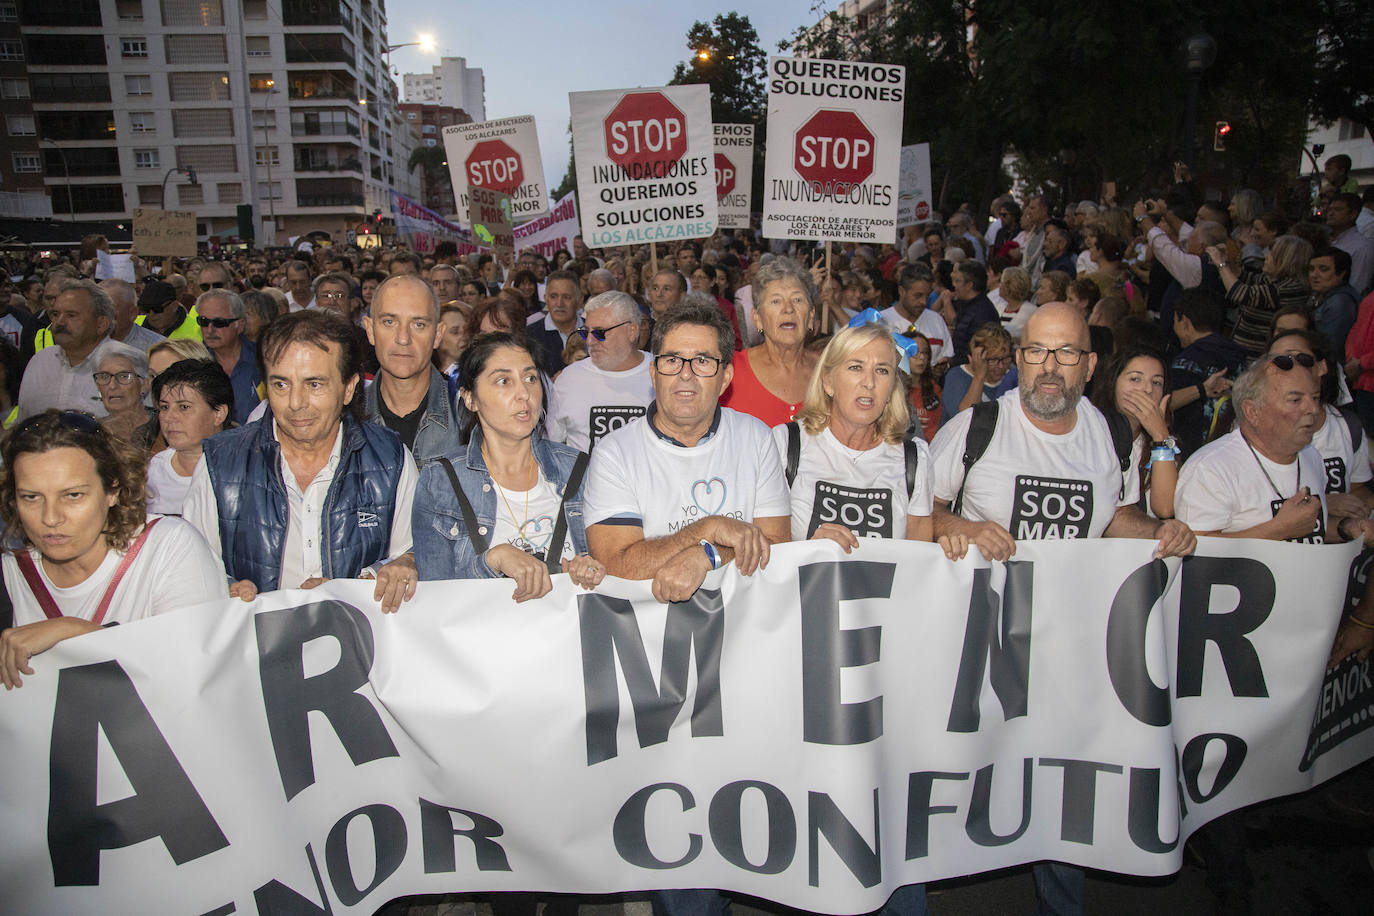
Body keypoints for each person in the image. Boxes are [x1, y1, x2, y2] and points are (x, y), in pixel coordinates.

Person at [929, 302, 1195, 916]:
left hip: (1067, 652)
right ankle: (936, 860)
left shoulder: (1102, 432)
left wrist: (1158, 533)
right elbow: (919, 518)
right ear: (1018, 359)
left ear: (1089, 364)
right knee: (965, 773)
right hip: (976, 651)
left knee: (1059, 784)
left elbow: (1112, 519)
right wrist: (963, 526)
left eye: (1066, 353)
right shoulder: (976, 428)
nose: (1049, 368)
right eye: (1036, 352)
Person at [182, 310, 418, 610]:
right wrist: (225, 588)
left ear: (349, 388)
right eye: (281, 384)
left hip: (359, 647)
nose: (295, 402)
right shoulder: (221, 464)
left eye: (314, 384)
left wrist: (360, 586)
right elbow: (189, 569)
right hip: (251, 648)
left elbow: (410, 554)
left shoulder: (389, 459)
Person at [584, 298, 790, 606]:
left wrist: (708, 554)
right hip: (649, 637)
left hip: (743, 631)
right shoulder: (615, 453)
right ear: (653, 374)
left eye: (703, 361)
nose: (685, 374)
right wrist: (709, 528)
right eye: (672, 360)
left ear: (726, 378)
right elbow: (617, 567)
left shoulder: (757, 437)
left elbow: (776, 543)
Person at [0, 410, 227, 689]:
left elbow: (202, 680)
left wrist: (73, 632)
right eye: (31, 497)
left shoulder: (166, 548)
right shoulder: (9, 575)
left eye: (73, 495)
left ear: (113, 491)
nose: (50, 517)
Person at [412, 332, 604, 598]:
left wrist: (592, 569)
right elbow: (433, 598)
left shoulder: (579, 469)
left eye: (530, 378)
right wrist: (492, 560)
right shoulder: (440, 481)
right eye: (504, 381)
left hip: (566, 634)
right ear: (470, 398)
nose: (523, 393)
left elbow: (614, 565)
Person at [775, 322, 961, 556]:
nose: (869, 382)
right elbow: (765, 549)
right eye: (855, 367)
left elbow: (916, 566)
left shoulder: (914, 459)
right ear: (829, 381)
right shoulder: (787, 444)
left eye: (882, 370)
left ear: (892, 386)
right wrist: (809, 551)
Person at [361, 275, 461, 463]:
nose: (403, 338)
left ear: (438, 335)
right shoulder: (345, 418)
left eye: (418, 324)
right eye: (390, 322)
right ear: (370, 330)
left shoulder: (469, 413)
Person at [545, 291, 654, 452]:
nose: (590, 341)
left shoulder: (663, 373)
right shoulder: (569, 379)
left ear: (631, 331)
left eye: (599, 333)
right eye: (585, 332)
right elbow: (551, 445)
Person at [720, 257, 815, 426]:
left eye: (797, 299)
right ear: (757, 318)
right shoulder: (729, 370)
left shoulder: (831, 369)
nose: (788, 309)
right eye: (776, 301)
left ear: (811, 317)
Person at [1090, 347, 1177, 520]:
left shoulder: (1166, 442)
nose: (1147, 389)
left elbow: (1165, 509)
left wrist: (1160, 436)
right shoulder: (1091, 431)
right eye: (1135, 379)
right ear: (1113, 383)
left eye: (1157, 382)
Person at [16, 279, 115, 422]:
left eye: (71, 315)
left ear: (101, 324)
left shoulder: (127, 366)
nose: (59, 322)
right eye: (55, 314)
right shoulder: (40, 361)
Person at [146, 359, 233, 516]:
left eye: (184, 407)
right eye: (164, 407)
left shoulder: (243, 470)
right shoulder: (153, 472)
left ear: (219, 413)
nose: (169, 417)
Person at [1168, 290, 1246, 459]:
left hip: (1195, 451)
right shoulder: (1239, 354)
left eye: (1175, 321)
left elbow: (1167, 404)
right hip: (1233, 448)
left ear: (1185, 322)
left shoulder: (1186, 362)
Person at [1215, 234, 1312, 357]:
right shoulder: (1271, 279)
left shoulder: (1291, 288)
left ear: (1286, 260)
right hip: (1241, 353)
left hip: (1257, 358)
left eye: (1271, 254)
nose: (1265, 257)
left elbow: (1240, 294)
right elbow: (1242, 277)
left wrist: (1220, 263)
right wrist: (1227, 261)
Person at [195, 288, 262, 425]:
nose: (210, 329)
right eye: (203, 321)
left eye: (219, 323)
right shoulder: (194, 364)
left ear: (240, 324)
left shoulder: (264, 360)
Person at [880, 264, 952, 367]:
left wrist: (944, 365)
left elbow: (948, 355)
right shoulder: (881, 321)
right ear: (901, 291)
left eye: (927, 296)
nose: (923, 302)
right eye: (918, 295)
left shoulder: (936, 320)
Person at [941, 322, 1016, 421]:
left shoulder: (1012, 378)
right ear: (977, 356)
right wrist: (979, 376)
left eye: (1005, 359)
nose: (1001, 366)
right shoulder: (956, 376)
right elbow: (963, 419)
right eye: (993, 360)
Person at [94, 342, 154, 448]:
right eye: (104, 376)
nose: (112, 386)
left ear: (144, 384)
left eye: (123, 376)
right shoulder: (90, 433)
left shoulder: (162, 428)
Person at [526, 269, 582, 377]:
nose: (559, 303)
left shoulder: (593, 332)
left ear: (579, 300)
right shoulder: (529, 336)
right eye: (553, 296)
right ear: (545, 299)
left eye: (566, 297)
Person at [1309, 247, 1359, 352]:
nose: (1314, 275)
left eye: (1323, 269)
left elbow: (1330, 347)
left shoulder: (1340, 303)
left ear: (1341, 274)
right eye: (1311, 269)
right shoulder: (1319, 294)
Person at [98, 279, 165, 353]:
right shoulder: (84, 343)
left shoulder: (158, 349)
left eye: (108, 308)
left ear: (133, 313)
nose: (99, 315)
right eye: (95, 308)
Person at [138, 278, 202, 341]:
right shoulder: (133, 325)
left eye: (157, 309)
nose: (151, 314)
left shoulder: (198, 330)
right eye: (146, 309)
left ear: (174, 306)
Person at [906, 331, 942, 441]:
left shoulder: (934, 388)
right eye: (915, 352)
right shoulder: (891, 389)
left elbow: (937, 425)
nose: (921, 357)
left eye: (925, 352)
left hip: (931, 449)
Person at [994, 266, 1037, 338]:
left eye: (1001, 282)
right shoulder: (998, 306)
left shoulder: (1031, 312)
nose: (999, 286)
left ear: (1009, 286)